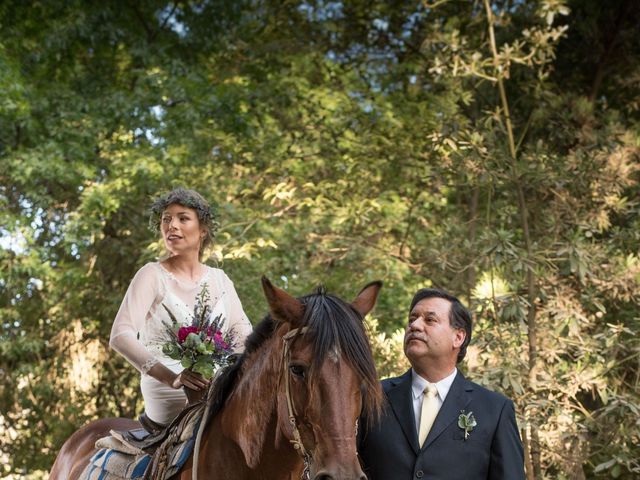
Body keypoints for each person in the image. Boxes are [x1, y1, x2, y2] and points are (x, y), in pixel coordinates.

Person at [109, 188, 252, 432]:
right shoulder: (151, 275)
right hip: (167, 389)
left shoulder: (220, 279)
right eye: (166, 219)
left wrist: (231, 376)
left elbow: (243, 335)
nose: (171, 225)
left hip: (220, 388)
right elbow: (120, 336)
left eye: (182, 218)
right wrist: (172, 378)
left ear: (203, 230)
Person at [358, 288, 525, 480]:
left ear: (458, 338)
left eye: (430, 320)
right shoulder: (371, 396)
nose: (415, 325)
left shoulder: (495, 410)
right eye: (412, 319)